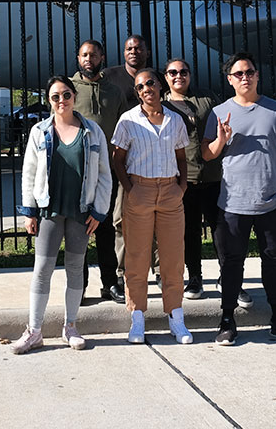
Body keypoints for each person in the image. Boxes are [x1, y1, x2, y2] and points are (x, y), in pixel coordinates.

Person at [202, 52, 276, 346]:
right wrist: (221, 139)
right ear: (230, 80)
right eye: (238, 74)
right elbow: (206, 154)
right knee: (232, 263)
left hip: (272, 200)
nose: (245, 77)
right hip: (233, 203)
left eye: (249, 72)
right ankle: (227, 319)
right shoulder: (218, 112)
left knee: (273, 260)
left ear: (257, 75)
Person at [11, 76, 112, 354]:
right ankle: (34, 331)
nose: (61, 101)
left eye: (66, 95)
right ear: (49, 100)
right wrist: (29, 211)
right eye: (55, 97)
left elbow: (104, 174)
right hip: (49, 211)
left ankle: (71, 326)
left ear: (74, 96)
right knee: (42, 269)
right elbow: (29, 172)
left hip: (80, 211)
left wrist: (100, 211)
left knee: (75, 269)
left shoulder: (92, 132)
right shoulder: (39, 131)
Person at [111, 67, 193, 345]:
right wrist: (131, 189)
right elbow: (117, 158)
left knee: (172, 258)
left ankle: (176, 317)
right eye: (139, 87)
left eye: (150, 83)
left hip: (170, 191)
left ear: (160, 86)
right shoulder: (128, 120)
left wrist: (181, 186)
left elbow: (181, 155)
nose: (146, 89)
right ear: (136, 93)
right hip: (140, 191)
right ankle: (137, 319)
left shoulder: (175, 119)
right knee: (137, 257)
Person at [161, 58, 223, 302]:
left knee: (221, 230)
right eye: (173, 72)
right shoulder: (163, 105)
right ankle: (195, 277)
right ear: (166, 77)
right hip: (182, 180)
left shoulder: (208, 99)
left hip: (213, 176)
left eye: (183, 71)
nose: (179, 76)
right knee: (189, 232)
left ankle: (226, 274)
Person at [70, 39, 128, 303]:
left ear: (102, 58)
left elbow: (122, 129)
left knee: (104, 228)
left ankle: (110, 284)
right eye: (84, 55)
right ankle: (78, 287)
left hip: (106, 171)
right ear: (78, 58)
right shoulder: (69, 90)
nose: (88, 59)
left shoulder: (114, 91)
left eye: (93, 55)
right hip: (77, 171)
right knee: (78, 231)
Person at [100, 33, 150, 294]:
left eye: (139, 48)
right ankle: (121, 273)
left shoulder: (155, 76)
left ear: (146, 51)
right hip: (120, 158)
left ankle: (159, 271)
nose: (134, 52)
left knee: (154, 218)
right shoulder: (110, 76)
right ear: (124, 52)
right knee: (119, 220)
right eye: (129, 48)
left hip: (149, 159)